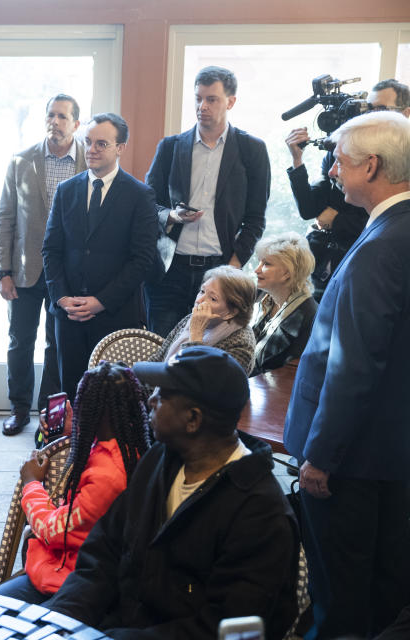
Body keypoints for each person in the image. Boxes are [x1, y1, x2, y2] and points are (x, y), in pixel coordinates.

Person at [45, 346, 298, 639]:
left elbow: (220, 628)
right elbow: (104, 552)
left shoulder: (260, 514)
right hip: (115, 626)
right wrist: (60, 621)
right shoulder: (159, 460)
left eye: (163, 395)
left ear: (193, 419)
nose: (150, 400)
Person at [283, 111, 410, 639]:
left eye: (339, 158)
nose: (331, 167)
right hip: (388, 448)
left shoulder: (380, 248)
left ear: (372, 165)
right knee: (381, 588)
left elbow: (352, 365)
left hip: (350, 460)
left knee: (340, 601)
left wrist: (320, 456)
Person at [0, 361, 151, 603]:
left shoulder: (107, 478)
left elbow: (51, 531)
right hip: (81, 571)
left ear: (94, 410)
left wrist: (31, 483)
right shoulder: (132, 448)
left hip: (74, 584)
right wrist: (76, 430)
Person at [145, 65, 270, 337]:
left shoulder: (252, 149)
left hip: (221, 270)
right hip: (170, 269)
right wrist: (172, 216)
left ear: (231, 101)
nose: (203, 106)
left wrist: (233, 267)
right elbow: (147, 205)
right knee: (163, 349)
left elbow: (256, 217)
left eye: (211, 99)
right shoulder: (170, 147)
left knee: (210, 354)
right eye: (198, 98)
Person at [43, 112, 158, 404]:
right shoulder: (66, 190)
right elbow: (51, 250)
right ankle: (70, 447)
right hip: (68, 314)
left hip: (114, 315)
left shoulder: (140, 195)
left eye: (101, 144)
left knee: (111, 401)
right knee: (70, 393)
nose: (92, 149)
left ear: (121, 148)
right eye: (89, 142)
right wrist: (61, 298)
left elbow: (142, 260)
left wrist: (100, 302)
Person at [0, 95, 86, 436]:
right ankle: (19, 409)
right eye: (51, 115)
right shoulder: (22, 160)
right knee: (20, 341)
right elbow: (5, 218)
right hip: (24, 271)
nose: (55, 122)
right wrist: (3, 270)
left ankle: (50, 414)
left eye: (63, 116)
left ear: (76, 124)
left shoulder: (87, 162)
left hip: (68, 274)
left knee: (57, 344)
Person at [285, 79, 410, 298]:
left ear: (406, 113)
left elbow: (390, 220)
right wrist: (297, 160)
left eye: (380, 110)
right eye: (368, 108)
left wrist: (336, 220)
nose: (370, 116)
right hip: (327, 268)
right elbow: (309, 209)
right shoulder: (339, 154)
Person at [147, 264, 256, 374]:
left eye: (213, 298)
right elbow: (158, 359)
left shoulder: (241, 343)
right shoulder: (190, 319)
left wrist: (196, 334)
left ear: (231, 312)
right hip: (160, 387)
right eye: (202, 291)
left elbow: (198, 383)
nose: (199, 300)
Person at [249, 232, 316, 376]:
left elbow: (289, 373)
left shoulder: (308, 314)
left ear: (287, 273)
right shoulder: (261, 297)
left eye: (266, 264)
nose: (257, 269)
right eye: (259, 262)